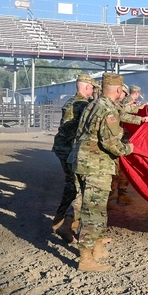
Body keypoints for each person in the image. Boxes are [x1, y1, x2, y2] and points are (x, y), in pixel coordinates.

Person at [73, 73, 134, 272]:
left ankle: (96, 248)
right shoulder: (107, 110)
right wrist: (130, 148)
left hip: (88, 164)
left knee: (96, 210)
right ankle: (85, 259)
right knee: (92, 213)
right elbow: (111, 144)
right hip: (95, 166)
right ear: (118, 90)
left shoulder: (94, 104)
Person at [50, 74, 96, 243]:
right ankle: (65, 224)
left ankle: (59, 221)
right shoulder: (82, 104)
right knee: (77, 188)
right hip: (69, 149)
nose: (93, 90)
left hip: (63, 147)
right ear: (85, 87)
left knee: (71, 186)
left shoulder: (71, 101)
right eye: (91, 87)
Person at [111, 84, 148, 206]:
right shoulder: (117, 104)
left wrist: (139, 111)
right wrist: (139, 115)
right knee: (115, 172)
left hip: (123, 141)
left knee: (122, 171)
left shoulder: (118, 104)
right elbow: (123, 115)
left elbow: (123, 112)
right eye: (123, 92)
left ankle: (121, 194)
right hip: (118, 142)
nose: (124, 95)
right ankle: (110, 198)